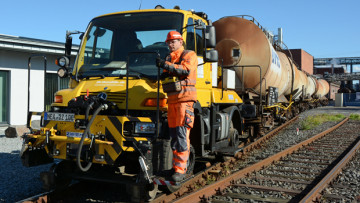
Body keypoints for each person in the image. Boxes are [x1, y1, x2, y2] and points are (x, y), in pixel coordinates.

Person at [156, 31, 198, 182]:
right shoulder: (169, 58)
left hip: (184, 101)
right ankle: (175, 168)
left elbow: (184, 70)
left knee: (181, 135)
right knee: (174, 136)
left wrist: (164, 65)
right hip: (173, 101)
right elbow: (170, 74)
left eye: (173, 41)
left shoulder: (189, 54)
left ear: (181, 41)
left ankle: (180, 170)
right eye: (169, 42)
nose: (170, 44)